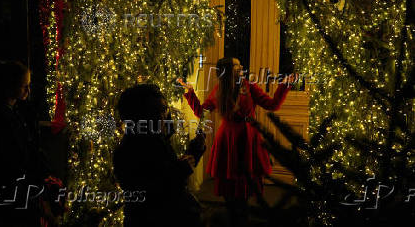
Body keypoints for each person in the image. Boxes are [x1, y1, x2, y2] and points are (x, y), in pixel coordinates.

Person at [177, 57, 297, 227]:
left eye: (240, 64)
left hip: (248, 138)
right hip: (228, 139)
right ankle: (235, 216)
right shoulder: (219, 90)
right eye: (236, 65)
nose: (241, 66)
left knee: (245, 188)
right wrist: (190, 93)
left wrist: (284, 85)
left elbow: (272, 105)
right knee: (230, 189)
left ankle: (241, 217)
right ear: (227, 70)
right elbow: (201, 112)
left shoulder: (249, 86)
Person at [113, 84, 204, 227]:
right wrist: (180, 171)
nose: (164, 116)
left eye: (164, 110)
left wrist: (194, 151)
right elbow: (149, 195)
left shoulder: (157, 141)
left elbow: (171, 173)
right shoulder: (129, 151)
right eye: (158, 111)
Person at [0, 61, 55, 226]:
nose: (28, 91)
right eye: (23, 86)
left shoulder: (19, 111)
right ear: (8, 87)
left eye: (28, 86)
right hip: (11, 187)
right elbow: (11, 154)